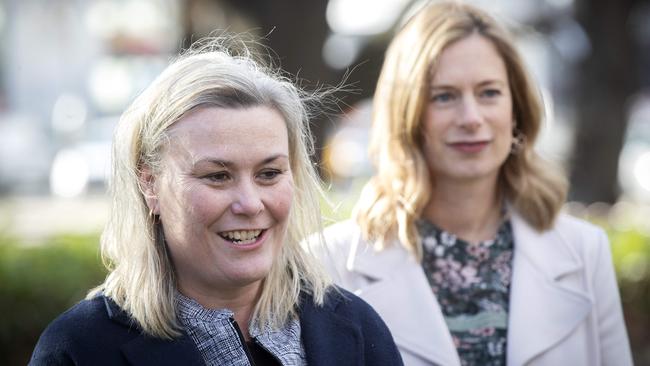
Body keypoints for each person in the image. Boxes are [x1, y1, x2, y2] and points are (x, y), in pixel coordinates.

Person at [30, 37, 403, 366]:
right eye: (217, 176)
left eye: (269, 173)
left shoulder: (356, 330)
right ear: (150, 184)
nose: (250, 203)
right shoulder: (80, 350)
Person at [316, 2, 633, 365]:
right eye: (444, 96)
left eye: (489, 93)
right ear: (408, 115)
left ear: (517, 111)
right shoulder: (329, 265)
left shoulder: (585, 252)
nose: (471, 118)